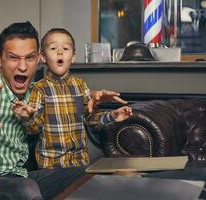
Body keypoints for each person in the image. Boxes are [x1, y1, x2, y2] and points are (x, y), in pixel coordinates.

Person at [0, 22, 127, 200]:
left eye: (29, 58)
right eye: (13, 58)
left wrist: (92, 97)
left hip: (19, 176)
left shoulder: (36, 91)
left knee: (89, 175)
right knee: (25, 189)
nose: (22, 66)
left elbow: (61, 93)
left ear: (39, 58)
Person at [12, 28, 133, 169]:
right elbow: (34, 128)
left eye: (65, 48)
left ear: (73, 56)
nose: (60, 52)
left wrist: (112, 115)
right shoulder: (40, 88)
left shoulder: (80, 85)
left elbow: (90, 119)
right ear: (43, 57)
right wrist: (29, 117)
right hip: (51, 165)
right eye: (53, 48)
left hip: (80, 162)